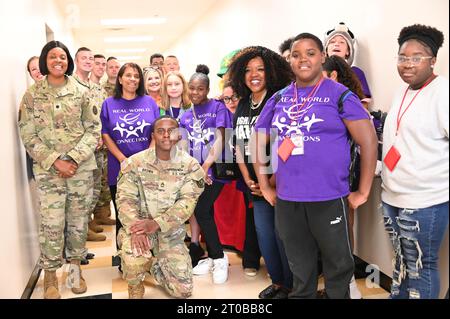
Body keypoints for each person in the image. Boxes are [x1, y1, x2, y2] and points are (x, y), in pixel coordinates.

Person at [253, 33, 377, 299]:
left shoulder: (340, 95)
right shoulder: (279, 98)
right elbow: (256, 140)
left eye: (310, 53)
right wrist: (264, 185)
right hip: (288, 201)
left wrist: (363, 191)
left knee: (337, 270)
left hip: (329, 198)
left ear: (322, 57)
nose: (303, 59)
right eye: (296, 55)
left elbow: (368, 142)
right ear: (290, 61)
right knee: (300, 269)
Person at [18, 40, 100, 299]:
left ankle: (75, 272)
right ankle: (51, 276)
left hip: (80, 170)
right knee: (51, 224)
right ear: (44, 61)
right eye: (52, 57)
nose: (58, 61)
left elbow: (93, 128)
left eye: (62, 57)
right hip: (49, 171)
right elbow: (27, 134)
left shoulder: (82, 91)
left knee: (77, 223)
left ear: (68, 61)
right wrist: (56, 161)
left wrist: (74, 158)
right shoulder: (32, 95)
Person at [381, 24, 448, 299]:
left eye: (416, 57)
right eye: (402, 57)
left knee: (421, 266)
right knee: (402, 263)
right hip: (393, 195)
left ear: (432, 60)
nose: (407, 64)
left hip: (425, 201)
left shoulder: (443, 92)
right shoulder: (403, 91)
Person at [227, 46, 294, 298]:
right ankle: (278, 283)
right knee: (265, 236)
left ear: (271, 72)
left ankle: (291, 286)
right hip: (254, 185)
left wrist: (271, 180)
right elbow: (238, 145)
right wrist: (247, 178)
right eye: (248, 70)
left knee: (283, 238)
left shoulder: (279, 99)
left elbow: (289, 142)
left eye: (260, 69)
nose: (253, 74)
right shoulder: (243, 104)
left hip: (279, 183)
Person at [117, 115, 205, 298]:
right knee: (134, 262)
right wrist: (137, 229)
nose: (166, 135)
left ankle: (156, 268)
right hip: (139, 228)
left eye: (171, 131)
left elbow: (186, 204)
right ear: (153, 136)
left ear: (179, 135)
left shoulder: (191, 166)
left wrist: (156, 223)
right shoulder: (134, 163)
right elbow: (125, 199)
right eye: (160, 131)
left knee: (184, 291)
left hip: (169, 233)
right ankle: (135, 283)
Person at [100, 62, 160, 256]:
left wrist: (145, 158)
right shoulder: (109, 104)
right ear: (120, 79)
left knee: (147, 212)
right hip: (120, 168)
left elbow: (157, 132)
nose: (133, 79)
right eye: (128, 75)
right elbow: (105, 134)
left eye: (136, 76)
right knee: (124, 215)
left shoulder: (149, 102)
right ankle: (126, 255)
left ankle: (148, 255)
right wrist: (123, 159)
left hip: (147, 166)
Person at [179, 65, 230, 284]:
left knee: (201, 210)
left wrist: (206, 166)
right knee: (202, 211)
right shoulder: (184, 115)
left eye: (200, 89)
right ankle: (212, 256)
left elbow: (221, 139)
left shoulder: (218, 108)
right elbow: (182, 147)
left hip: (215, 170)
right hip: (196, 171)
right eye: (192, 88)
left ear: (207, 89)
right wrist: (195, 171)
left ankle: (219, 258)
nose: (195, 93)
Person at [322, 54, 368, 299]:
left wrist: (361, 188)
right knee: (329, 236)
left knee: (342, 232)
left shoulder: (346, 102)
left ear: (333, 76)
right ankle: (337, 285)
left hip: (342, 178)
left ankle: (348, 285)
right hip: (323, 181)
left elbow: (363, 142)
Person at [218, 81, 262, 277]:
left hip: (261, 170)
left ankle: (261, 259)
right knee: (251, 216)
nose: (231, 102)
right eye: (226, 98)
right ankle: (251, 258)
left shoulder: (251, 112)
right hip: (236, 173)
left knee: (260, 218)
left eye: (234, 97)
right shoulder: (222, 115)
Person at [72, 47, 108, 242]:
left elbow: (99, 116)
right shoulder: (72, 85)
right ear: (76, 61)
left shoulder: (95, 87)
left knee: (93, 190)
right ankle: (80, 231)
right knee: (82, 192)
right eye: (83, 58)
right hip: (83, 149)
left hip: (99, 148)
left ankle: (86, 225)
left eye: (90, 58)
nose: (88, 61)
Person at [324, 22, 372, 106]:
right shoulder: (318, 72)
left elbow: (364, 102)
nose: (336, 44)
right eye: (332, 42)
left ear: (348, 51)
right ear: (326, 50)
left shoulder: (356, 72)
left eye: (342, 42)